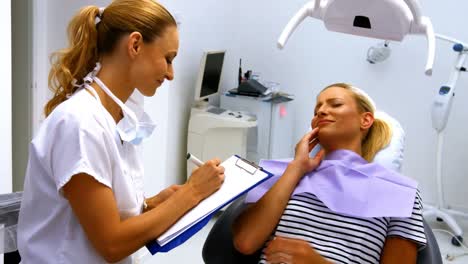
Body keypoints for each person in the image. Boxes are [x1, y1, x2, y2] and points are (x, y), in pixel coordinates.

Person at [17, 1, 225, 263]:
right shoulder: (80, 123)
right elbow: (111, 243)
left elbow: (104, 212)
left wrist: (151, 204)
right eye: (168, 59)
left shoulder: (114, 117)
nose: (171, 74)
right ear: (135, 45)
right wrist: (191, 192)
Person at [232, 83, 426, 264]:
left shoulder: (398, 192)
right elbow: (245, 242)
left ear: (365, 120)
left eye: (336, 104)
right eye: (317, 110)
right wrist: (296, 167)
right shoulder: (285, 175)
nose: (322, 111)